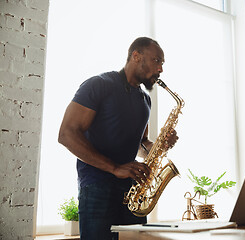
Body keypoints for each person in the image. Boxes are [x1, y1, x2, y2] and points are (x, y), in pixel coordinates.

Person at [58, 37, 178, 240]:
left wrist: (159, 145)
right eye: (156, 60)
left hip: (132, 191)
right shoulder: (99, 84)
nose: (160, 69)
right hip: (97, 186)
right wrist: (114, 168)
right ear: (136, 56)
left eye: (162, 63)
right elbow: (66, 134)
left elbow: (141, 144)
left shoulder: (145, 99)